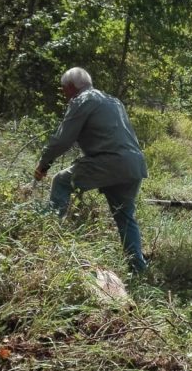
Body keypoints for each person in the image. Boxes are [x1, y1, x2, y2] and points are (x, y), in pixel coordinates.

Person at [34, 67, 148, 273]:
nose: (63, 94)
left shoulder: (82, 100)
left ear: (70, 87)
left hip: (110, 162)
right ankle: (138, 269)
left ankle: (45, 238)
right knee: (125, 216)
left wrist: (44, 164)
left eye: (63, 89)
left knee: (61, 181)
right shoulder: (113, 101)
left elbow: (62, 140)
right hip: (133, 164)